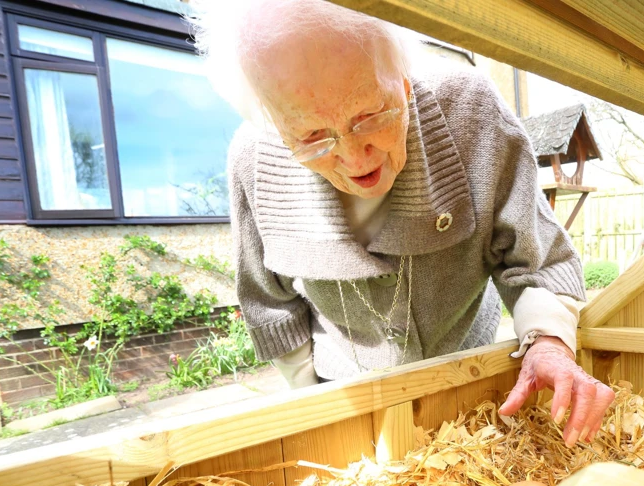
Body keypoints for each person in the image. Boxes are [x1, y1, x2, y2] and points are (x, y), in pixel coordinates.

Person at [190, 0, 615, 446]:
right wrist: (314, 406)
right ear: (274, 123)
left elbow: (539, 259)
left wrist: (548, 341)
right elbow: (269, 305)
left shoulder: (472, 112)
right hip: (344, 391)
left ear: (406, 82)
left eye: (371, 117)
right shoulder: (251, 159)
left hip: (469, 375)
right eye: (311, 136)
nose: (355, 158)